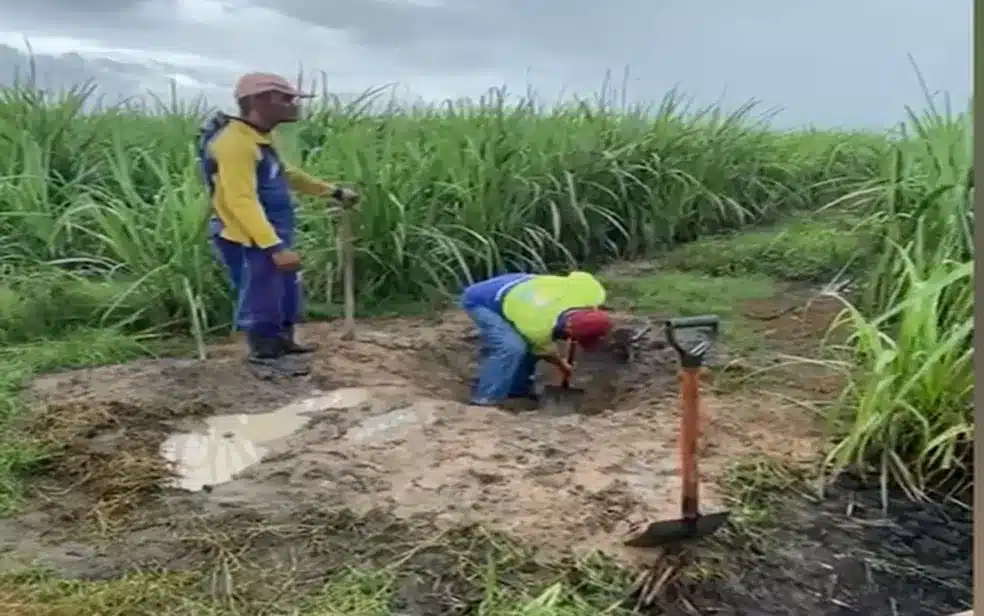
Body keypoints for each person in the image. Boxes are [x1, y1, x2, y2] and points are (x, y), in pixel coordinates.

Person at [196, 72, 360, 374]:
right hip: (249, 236)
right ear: (257, 101)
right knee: (262, 293)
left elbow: (286, 173)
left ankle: (284, 344)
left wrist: (333, 192)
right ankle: (265, 354)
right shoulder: (234, 144)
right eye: (284, 99)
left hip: (270, 232)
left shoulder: (256, 137)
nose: (292, 104)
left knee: (284, 289)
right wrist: (272, 246)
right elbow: (240, 200)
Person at [460, 271, 613, 407]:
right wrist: (562, 365)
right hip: (485, 299)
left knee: (523, 344)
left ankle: (517, 391)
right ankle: (485, 399)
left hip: (528, 287)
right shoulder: (537, 326)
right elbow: (541, 350)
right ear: (568, 328)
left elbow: (580, 275)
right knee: (512, 346)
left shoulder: (593, 293)